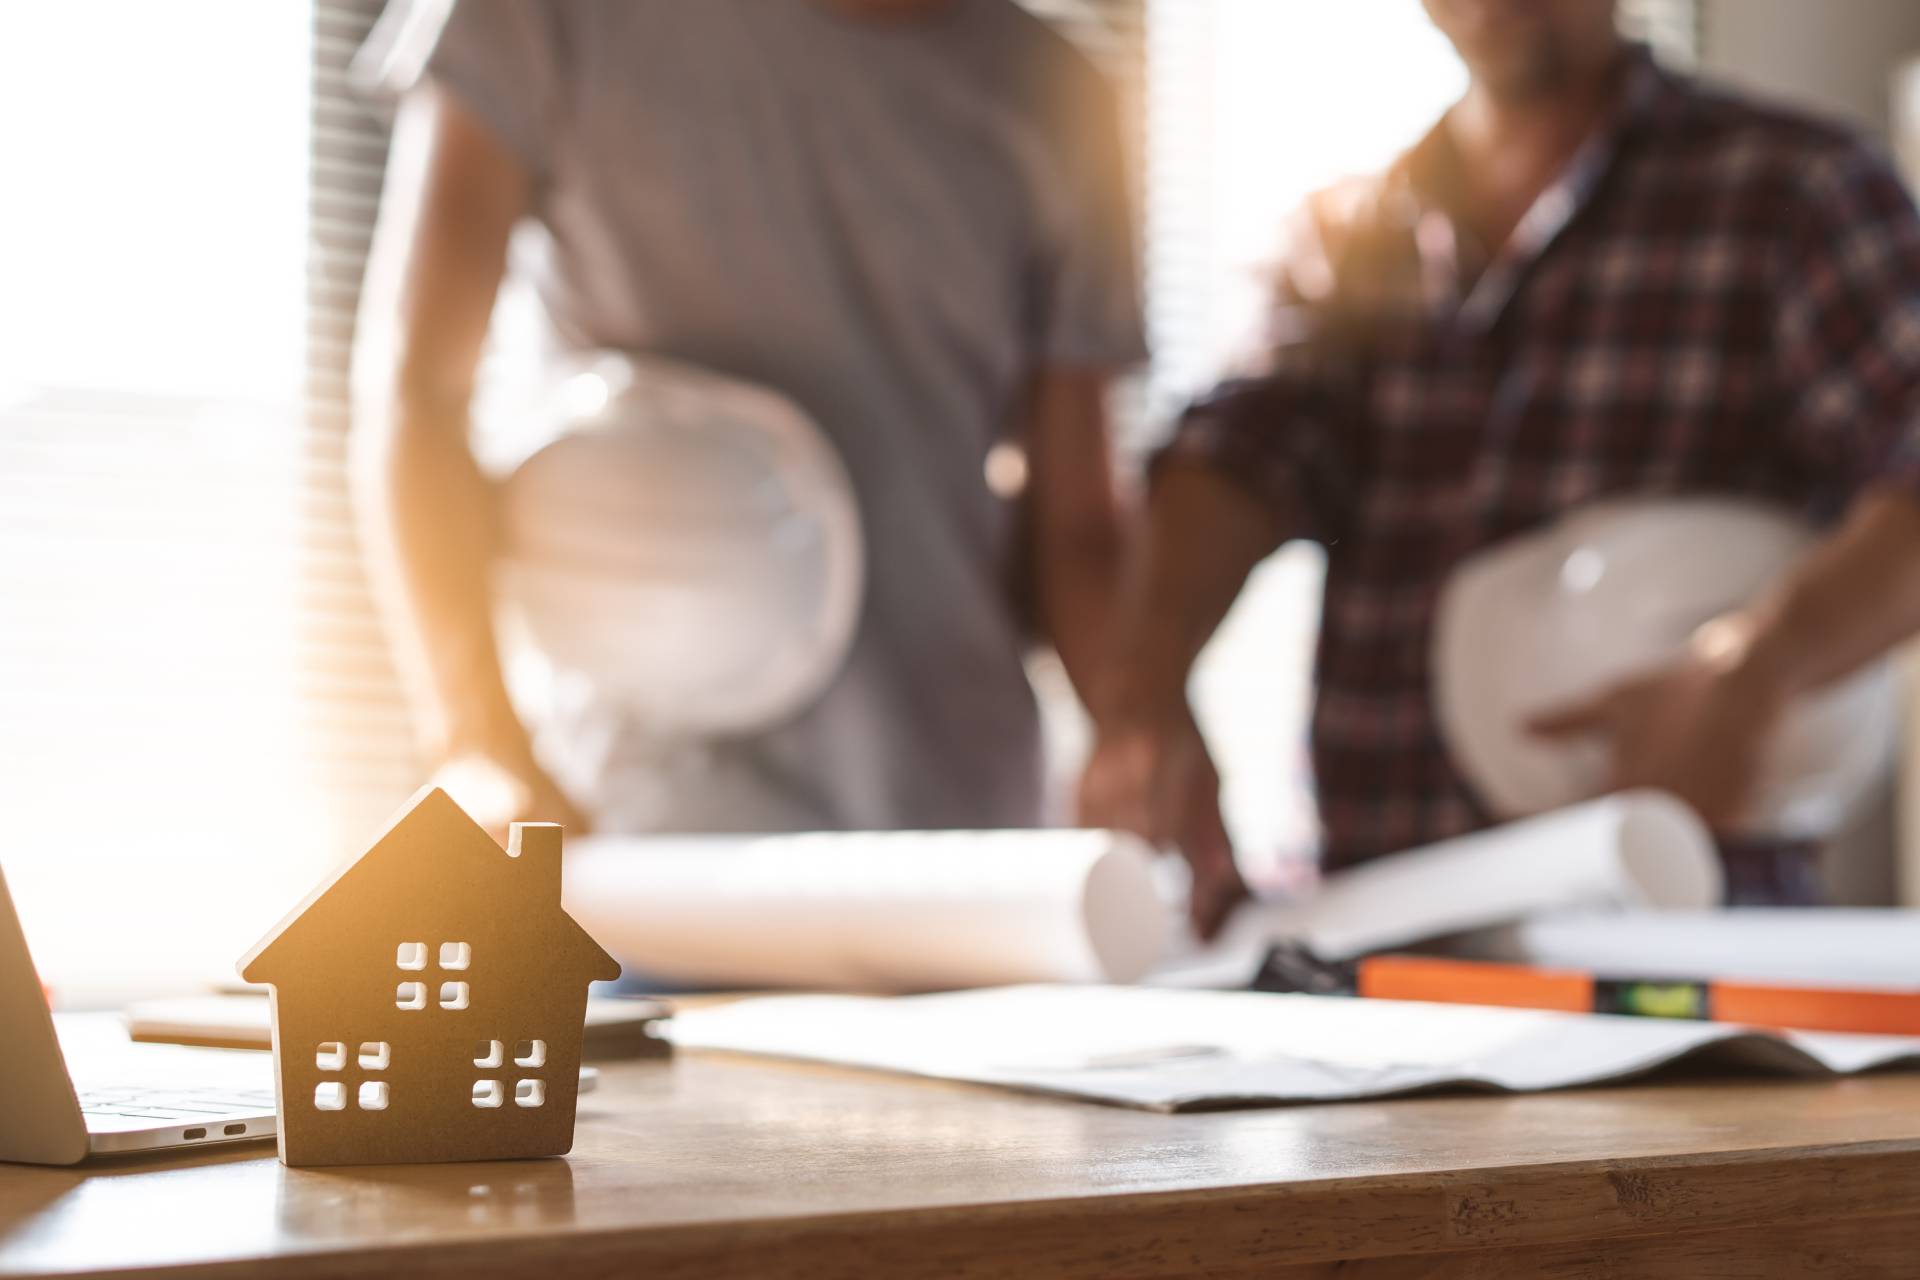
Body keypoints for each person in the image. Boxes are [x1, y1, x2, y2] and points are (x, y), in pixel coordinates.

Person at [1081, 0, 1920, 929]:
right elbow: (1233, 457)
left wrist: (1758, 666)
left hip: (1686, 930)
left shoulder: (1792, 191)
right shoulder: (1347, 237)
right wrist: (1144, 695)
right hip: (1387, 940)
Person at [352, 1, 1146, 838]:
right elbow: (418, 398)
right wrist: (478, 740)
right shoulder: (541, 16)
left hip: (950, 839)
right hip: (644, 837)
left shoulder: (1064, 88)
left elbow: (1080, 530)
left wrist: (1148, 737)